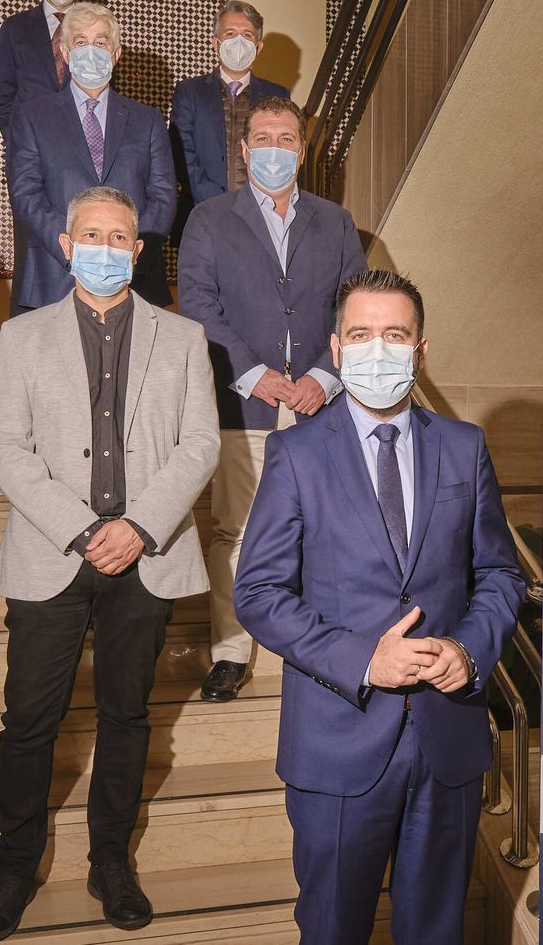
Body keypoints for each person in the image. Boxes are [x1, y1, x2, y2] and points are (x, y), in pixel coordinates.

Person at [234, 269, 524, 945]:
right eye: (362, 334)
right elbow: (258, 592)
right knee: (334, 928)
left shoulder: (463, 446)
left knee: (436, 929)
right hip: (338, 743)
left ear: (420, 349)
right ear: (335, 349)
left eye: (395, 335)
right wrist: (367, 658)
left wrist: (468, 648)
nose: (378, 350)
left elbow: (500, 574)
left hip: (447, 739)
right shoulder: (295, 453)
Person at [0, 187, 219, 941]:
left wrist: (140, 525)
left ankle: (110, 859)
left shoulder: (183, 338)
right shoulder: (22, 336)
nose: (107, 247)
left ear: (139, 252)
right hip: (53, 552)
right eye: (92, 234)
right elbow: (5, 449)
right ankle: (13, 865)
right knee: (29, 719)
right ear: (66, 244)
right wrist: (84, 529)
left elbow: (200, 444)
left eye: (121, 236)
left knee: (127, 715)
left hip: (147, 557)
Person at [177, 95, 365, 702]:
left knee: (324, 528)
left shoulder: (335, 223)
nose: (275, 149)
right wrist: (253, 374)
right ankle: (232, 651)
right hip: (245, 401)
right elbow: (200, 307)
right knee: (236, 530)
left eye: (287, 139)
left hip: (321, 403)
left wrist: (325, 376)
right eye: (264, 137)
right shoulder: (209, 219)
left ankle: (312, 648)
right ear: (243, 147)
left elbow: (355, 308)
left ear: (302, 150)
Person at [6, 2, 176, 313]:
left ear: (116, 53)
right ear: (66, 53)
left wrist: (128, 254)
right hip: (53, 279)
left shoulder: (147, 120)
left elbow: (163, 196)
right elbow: (25, 192)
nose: (91, 50)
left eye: (101, 42)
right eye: (81, 42)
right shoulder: (32, 116)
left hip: (133, 278)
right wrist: (75, 251)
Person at [170, 0, 291, 205]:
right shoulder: (190, 92)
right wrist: (218, 202)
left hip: (259, 210)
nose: (239, 42)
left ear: (258, 47)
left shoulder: (277, 95)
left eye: (247, 35)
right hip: (199, 209)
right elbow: (180, 153)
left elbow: (281, 154)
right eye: (230, 34)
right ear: (216, 43)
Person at [0, 0, 81, 140]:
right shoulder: (15, 28)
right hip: (29, 146)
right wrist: (16, 139)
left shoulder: (94, 29)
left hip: (84, 147)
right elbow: (4, 91)